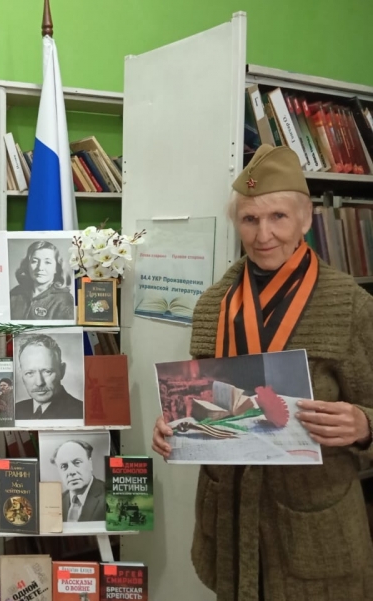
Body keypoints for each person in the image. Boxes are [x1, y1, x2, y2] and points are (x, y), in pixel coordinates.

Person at [151, 144, 373, 600]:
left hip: (315, 525)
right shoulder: (213, 304)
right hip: (229, 518)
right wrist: (173, 423)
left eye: (278, 217)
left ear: (305, 220)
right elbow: (200, 397)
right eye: (250, 219)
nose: (263, 234)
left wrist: (365, 425)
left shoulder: (349, 304)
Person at [14, 334, 83, 419]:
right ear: (21, 374)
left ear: (62, 371)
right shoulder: (15, 410)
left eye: (47, 371)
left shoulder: (80, 412)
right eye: (29, 373)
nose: (39, 383)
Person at [10, 240, 74, 320]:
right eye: (34, 261)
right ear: (27, 265)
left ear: (56, 268)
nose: (40, 268)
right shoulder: (15, 293)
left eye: (47, 262)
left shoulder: (64, 300)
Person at [51, 440, 105, 523]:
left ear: (90, 463)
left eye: (77, 462)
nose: (71, 472)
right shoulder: (56, 502)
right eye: (64, 466)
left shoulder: (110, 497)